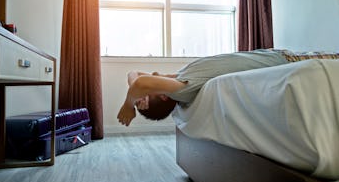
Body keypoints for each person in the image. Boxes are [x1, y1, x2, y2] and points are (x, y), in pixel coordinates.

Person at [117, 49, 339, 126]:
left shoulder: (181, 77)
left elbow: (134, 75)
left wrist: (136, 98)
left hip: (274, 54)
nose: (153, 73)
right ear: (165, 96)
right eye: (150, 90)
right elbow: (140, 82)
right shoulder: (182, 89)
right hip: (287, 60)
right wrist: (128, 105)